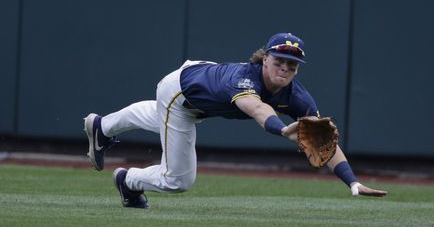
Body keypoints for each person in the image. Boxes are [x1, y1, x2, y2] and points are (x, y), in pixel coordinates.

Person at [84, 32, 387, 209]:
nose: (285, 67)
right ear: (264, 58)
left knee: (156, 115)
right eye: (279, 60)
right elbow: (257, 110)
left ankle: (103, 126)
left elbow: (324, 141)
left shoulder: (299, 97)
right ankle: (128, 181)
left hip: (196, 81)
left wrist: (352, 182)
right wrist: (283, 129)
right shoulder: (245, 81)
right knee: (178, 179)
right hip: (181, 94)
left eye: (292, 64)